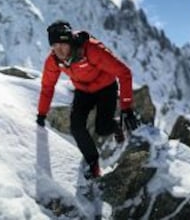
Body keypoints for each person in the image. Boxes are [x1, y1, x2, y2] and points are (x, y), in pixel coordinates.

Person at [36, 20, 138, 179]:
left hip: (106, 87)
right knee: (76, 128)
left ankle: (116, 126)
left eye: (62, 45)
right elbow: (47, 86)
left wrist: (127, 108)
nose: (59, 50)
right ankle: (93, 164)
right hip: (83, 91)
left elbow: (124, 72)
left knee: (102, 128)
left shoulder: (91, 49)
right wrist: (41, 114)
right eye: (54, 46)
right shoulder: (54, 60)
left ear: (69, 41)